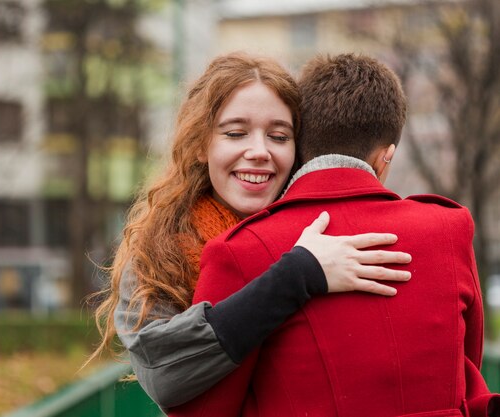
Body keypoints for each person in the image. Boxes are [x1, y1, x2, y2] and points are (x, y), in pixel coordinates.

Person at [169, 53, 499, 417]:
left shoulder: (238, 250)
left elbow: (202, 410)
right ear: (385, 157)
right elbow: (467, 368)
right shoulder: (448, 228)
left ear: (300, 143)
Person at [90, 52, 412, 411]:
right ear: (200, 145)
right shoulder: (157, 250)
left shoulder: (329, 234)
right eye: (235, 133)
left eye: (278, 136)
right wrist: (297, 276)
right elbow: (164, 374)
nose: (259, 151)